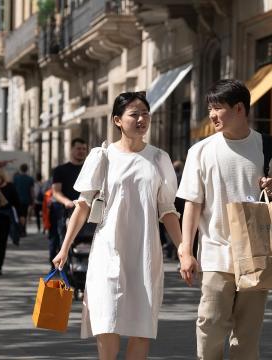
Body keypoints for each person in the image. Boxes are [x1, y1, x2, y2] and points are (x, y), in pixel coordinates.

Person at [52, 91, 182, 360]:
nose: (141, 119)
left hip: (146, 252)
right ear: (117, 120)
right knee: (107, 319)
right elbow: (83, 205)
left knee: (141, 326)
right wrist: (64, 247)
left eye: (145, 113)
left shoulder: (159, 159)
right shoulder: (102, 156)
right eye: (134, 114)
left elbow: (168, 210)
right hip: (108, 250)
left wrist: (184, 250)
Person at [176, 79, 272, 360]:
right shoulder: (200, 151)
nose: (212, 115)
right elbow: (192, 203)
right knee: (210, 323)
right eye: (210, 108)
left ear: (239, 109)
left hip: (256, 254)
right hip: (215, 253)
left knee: (248, 334)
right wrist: (186, 250)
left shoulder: (266, 146)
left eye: (218, 108)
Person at [51, 137, 88, 261]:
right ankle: (59, 270)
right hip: (66, 212)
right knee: (61, 241)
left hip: (88, 213)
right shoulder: (60, 170)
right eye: (78, 148)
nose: (81, 151)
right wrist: (67, 202)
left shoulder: (89, 169)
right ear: (71, 150)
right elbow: (56, 192)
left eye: (84, 149)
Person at [0, 170, 20, 276]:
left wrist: (21, 215)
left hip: (5, 217)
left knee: (1, 243)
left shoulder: (10, 187)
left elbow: (16, 201)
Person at [13, 163, 34, 237]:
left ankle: (19, 229)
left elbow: (14, 189)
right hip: (26, 199)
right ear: (27, 169)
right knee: (24, 215)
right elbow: (31, 191)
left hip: (17, 199)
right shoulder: (30, 179)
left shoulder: (16, 178)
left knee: (18, 215)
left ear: (20, 169)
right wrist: (32, 200)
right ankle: (23, 230)